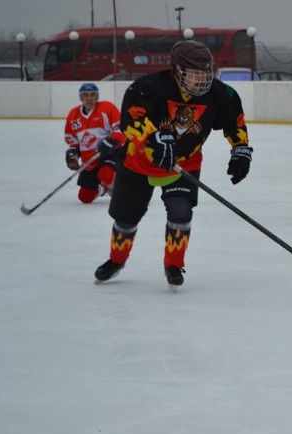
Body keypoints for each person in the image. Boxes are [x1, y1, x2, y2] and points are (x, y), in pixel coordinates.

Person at [93, 39, 254, 290]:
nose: (202, 80)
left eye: (206, 73)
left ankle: (173, 264)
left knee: (181, 214)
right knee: (125, 219)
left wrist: (240, 149)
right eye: (195, 74)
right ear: (178, 70)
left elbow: (235, 121)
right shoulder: (147, 87)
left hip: (184, 163)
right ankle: (116, 260)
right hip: (139, 163)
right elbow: (132, 119)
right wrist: (153, 138)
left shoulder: (222, 94)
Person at [63, 82, 125, 203]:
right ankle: (104, 187)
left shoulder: (107, 108)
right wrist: (74, 153)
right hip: (89, 160)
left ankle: (127, 191)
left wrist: (110, 142)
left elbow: (121, 130)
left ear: (97, 97)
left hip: (110, 153)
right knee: (85, 198)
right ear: (81, 98)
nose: (89, 98)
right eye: (85, 95)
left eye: (92, 95)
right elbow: (73, 140)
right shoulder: (73, 115)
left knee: (106, 174)